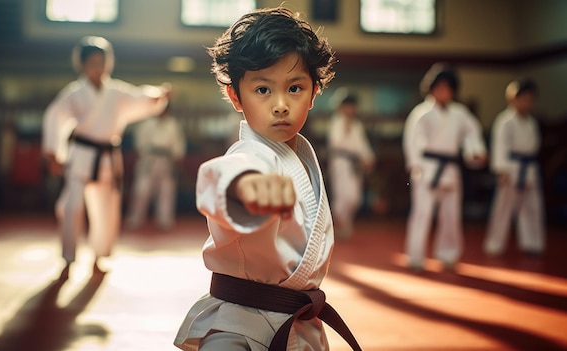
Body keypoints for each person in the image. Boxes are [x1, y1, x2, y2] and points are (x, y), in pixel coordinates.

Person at [174, 7, 362, 351]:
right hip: (238, 327)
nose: (280, 105)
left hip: (297, 325)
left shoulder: (301, 157)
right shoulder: (251, 157)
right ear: (235, 96)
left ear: (315, 91)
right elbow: (223, 176)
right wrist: (242, 188)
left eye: (294, 88)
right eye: (263, 90)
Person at [41, 36, 170, 275]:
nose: (98, 67)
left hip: (108, 156)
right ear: (82, 64)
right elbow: (55, 117)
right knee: (71, 206)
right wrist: (53, 154)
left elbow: (140, 97)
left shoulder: (116, 91)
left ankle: (99, 254)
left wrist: (158, 94)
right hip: (81, 154)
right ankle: (69, 256)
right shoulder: (74, 93)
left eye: (102, 62)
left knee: (105, 208)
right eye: (93, 62)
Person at [402, 63, 487, 271]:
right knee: (422, 213)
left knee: (451, 215)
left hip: (450, 168)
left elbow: (471, 134)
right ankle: (416, 257)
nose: (443, 92)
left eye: (448, 88)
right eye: (439, 87)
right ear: (430, 88)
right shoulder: (421, 113)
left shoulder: (460, 113)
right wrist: (415, 165)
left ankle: (448, 255)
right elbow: (411, 141)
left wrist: (475, 151)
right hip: (427, 168)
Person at [484, 78, 545, 257]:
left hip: (529, 167)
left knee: (532, 208)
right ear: (513, 99)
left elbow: (535, 146)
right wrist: (501, 169)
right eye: (523, 98)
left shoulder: (532, 122)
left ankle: (532, 243)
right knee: (503, 208)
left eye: (529, 99)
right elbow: (499, 146)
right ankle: (495, 244)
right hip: (510, 167)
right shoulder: (505, 121)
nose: (526, 103)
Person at [124, 103, 186, 231]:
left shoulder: (173, 124)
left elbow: (178, 144)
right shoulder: (147, 124)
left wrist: (177, 157)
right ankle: (135, 218)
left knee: (166, 191)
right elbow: (140, 143)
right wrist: (146, 154)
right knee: (142, 190)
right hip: (149, 159)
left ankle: (165, 220)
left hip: (167, 160)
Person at [327, 88, 375, 239]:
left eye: (352, 106)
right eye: (346, 106)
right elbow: (336, 142)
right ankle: (339, 224)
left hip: (355, 164)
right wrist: (346, 127)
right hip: (340, 162)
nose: (349, 109)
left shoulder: (357, 125)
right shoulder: (337, 122)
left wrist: (368, 158)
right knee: (343, 196)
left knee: (355, 198)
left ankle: (344, 223)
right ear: (340, 107)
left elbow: (362, 145)